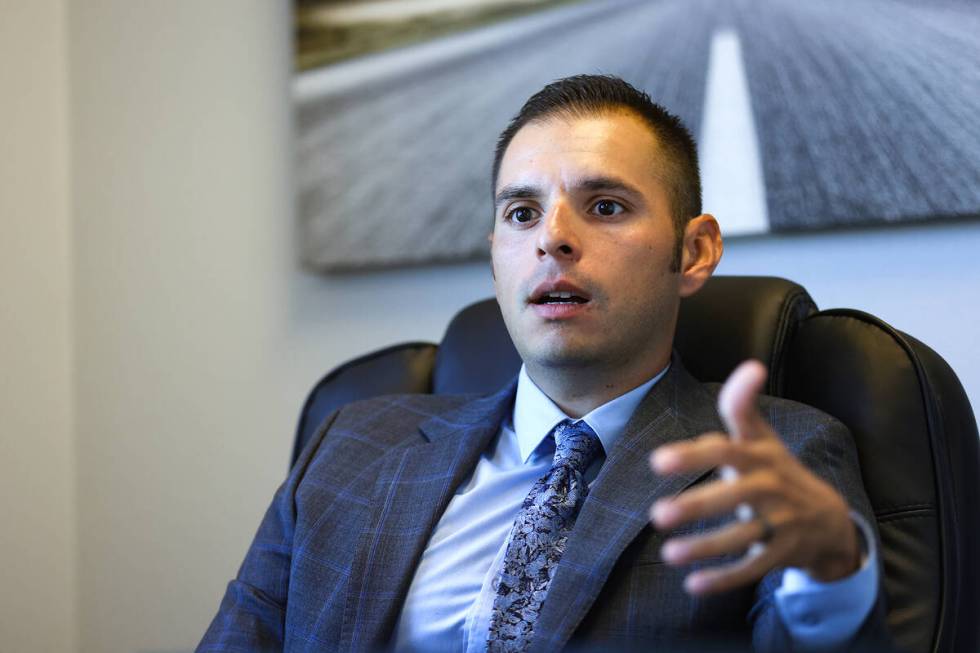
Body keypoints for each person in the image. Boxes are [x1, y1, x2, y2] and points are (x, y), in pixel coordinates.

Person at [198, 75, 890, 652]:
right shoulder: (350, 444)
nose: (553, 238)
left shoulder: (780, 456)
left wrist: (831, 575)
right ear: (495, 253)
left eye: (606, 205)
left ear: (695, 251)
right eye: (522, 213)